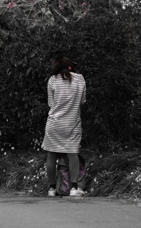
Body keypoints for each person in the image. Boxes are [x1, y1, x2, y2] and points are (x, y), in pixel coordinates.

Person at [42, 57, 86, 197]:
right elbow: (83, 100)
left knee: (51, 155)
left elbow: (51, 103)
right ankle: (74, 188)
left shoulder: (52, 80)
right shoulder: (79, 79)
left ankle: (51, 189)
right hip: (72, 123)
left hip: (54, 124)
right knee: (73, 154)